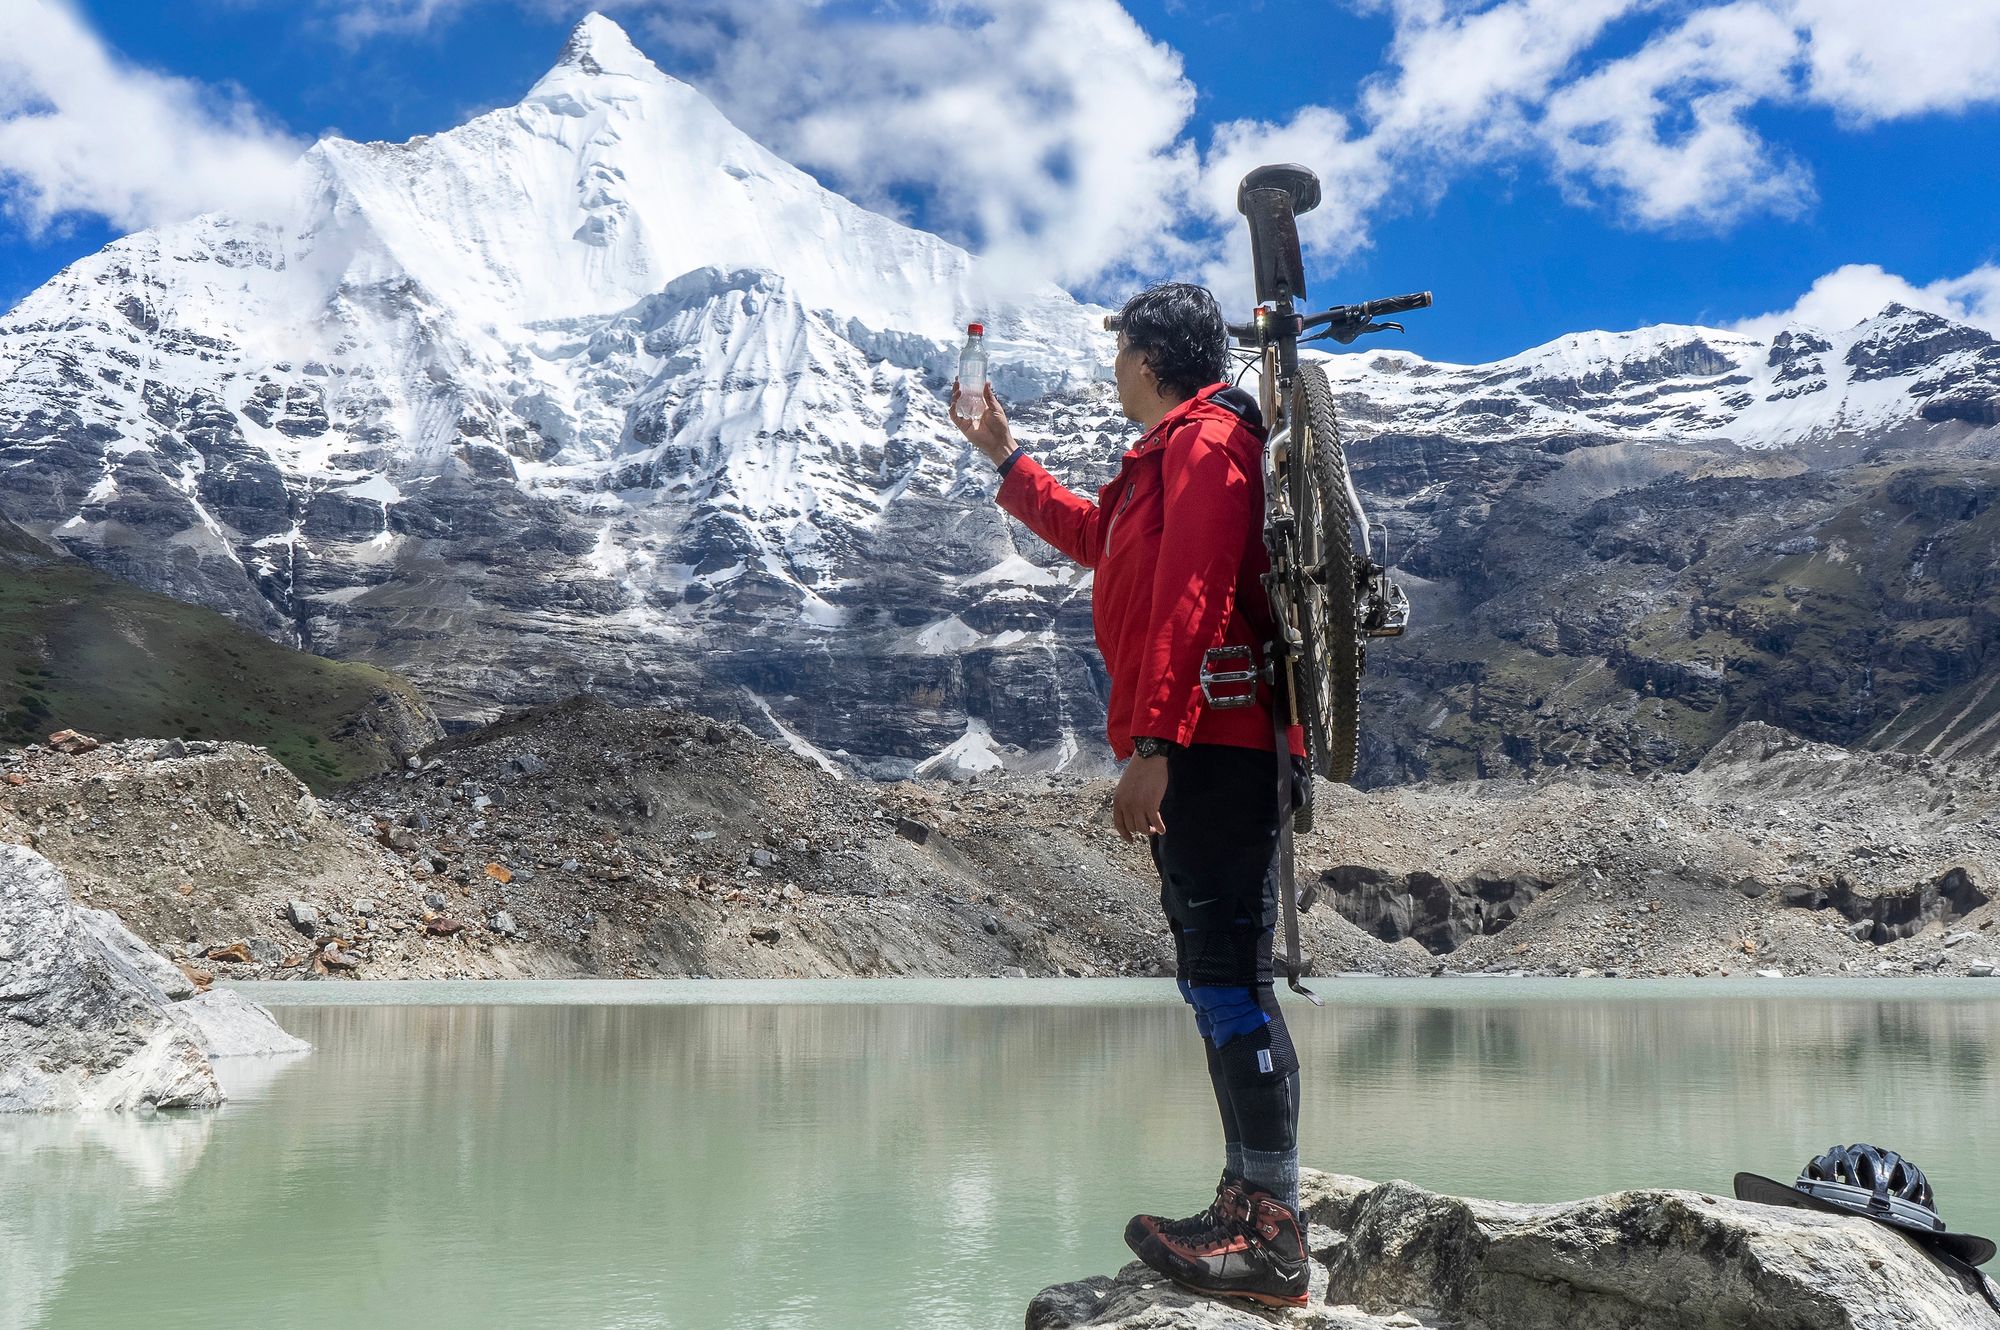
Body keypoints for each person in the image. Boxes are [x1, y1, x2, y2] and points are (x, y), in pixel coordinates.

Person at [949, 282, 1312, 1309]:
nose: (1112, 373)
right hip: (1207, 742)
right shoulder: (1167, 456)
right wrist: (1005, 459)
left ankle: (1272, 1232)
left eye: (1117, 357)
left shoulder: (1204, 448)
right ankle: (1248, 1205)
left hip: (1214, 744)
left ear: (1147, 359)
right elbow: (1100, 539)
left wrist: (1154, 738)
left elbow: (1194, 591)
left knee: (1230, 979)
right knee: (1214, 977)